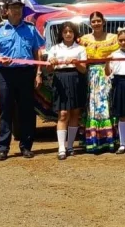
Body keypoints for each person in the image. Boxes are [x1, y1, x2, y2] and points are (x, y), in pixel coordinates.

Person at [0, 0, 46, 161]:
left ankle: (26, 146)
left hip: (26, 73)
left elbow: (37, 52)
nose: (17, 10)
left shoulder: (31, 29)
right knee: (6, 109)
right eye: (13, 7)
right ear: (7, 10)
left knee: (27, 109)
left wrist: (38, 73)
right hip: (5, 73)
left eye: (19, 7)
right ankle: (3, 147)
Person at [79, 11, 120, 154]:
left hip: (108, 73)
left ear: (104, 22)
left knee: (107, 105)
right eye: (93, 21)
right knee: (93, 106)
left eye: (98, 21)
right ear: (90, 24)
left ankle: (109, 140)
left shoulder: (114, 38)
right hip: (91, 75)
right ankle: (93, 140)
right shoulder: (84, 40)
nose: (96, 23)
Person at [46, 22, 88, 160]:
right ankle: (61, 148)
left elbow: (83, 69)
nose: (68, 34)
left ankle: (70, 146)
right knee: (63, 114)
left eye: (71, 31)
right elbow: (49, 70)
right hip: (60, 80)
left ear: (75, 33)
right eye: (65, 32)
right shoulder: (54, 48)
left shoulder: (81, 49)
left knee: (75, 112)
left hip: (76, 79)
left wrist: (76, 62)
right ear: (61, 34)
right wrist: (51, 63)